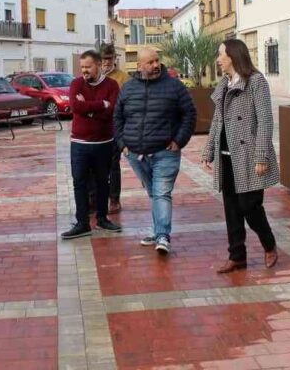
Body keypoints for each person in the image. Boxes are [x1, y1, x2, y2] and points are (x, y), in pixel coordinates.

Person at [201, 39, 279, 273]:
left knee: (250, 206)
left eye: (221, 54)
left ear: (233, 56)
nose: (218, 59)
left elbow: (265, 121)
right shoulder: (224, 84)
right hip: (227, 156)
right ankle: (237, 256)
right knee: (232, 210)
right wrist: (209, 151)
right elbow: (218, 121)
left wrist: (262, 156)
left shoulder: (256, 82)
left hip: (249, 156)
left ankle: (269, 244)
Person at [114, 47, 196, 254]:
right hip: (136, 154)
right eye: (150, 62)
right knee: (154, 193)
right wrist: (122, 144)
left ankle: (162, 236)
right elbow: (118, 117)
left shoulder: (175, 87)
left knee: (161, 193)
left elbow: (189, 114)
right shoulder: (128, 88)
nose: (155, 65)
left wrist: (179, 140)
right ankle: (158, 230)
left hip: (165, 152)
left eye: (157, 60)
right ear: (139, 66)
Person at [61, 50, 122, 239]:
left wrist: (89, 106)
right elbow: (75, 107)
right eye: (82, 67)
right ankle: (82, 223)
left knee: (103, 182)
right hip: (79, 143)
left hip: (104, 142)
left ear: (98, 65)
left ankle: (102, 218)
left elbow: (111, 111)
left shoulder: (112, 85)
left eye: (88, 67)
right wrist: (99, 105)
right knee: (79, 181)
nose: (84, 71)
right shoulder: (76, 83)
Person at [100, 43, 130, 214]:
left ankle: (114, 199)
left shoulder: (123, 78)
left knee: (113, 165)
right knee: (94, 166)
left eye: (109, 58)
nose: (106, 62)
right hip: (96, 128)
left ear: (114, 59)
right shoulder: (95, 77)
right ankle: (95, 198)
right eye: (103, 58)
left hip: (114, 127)